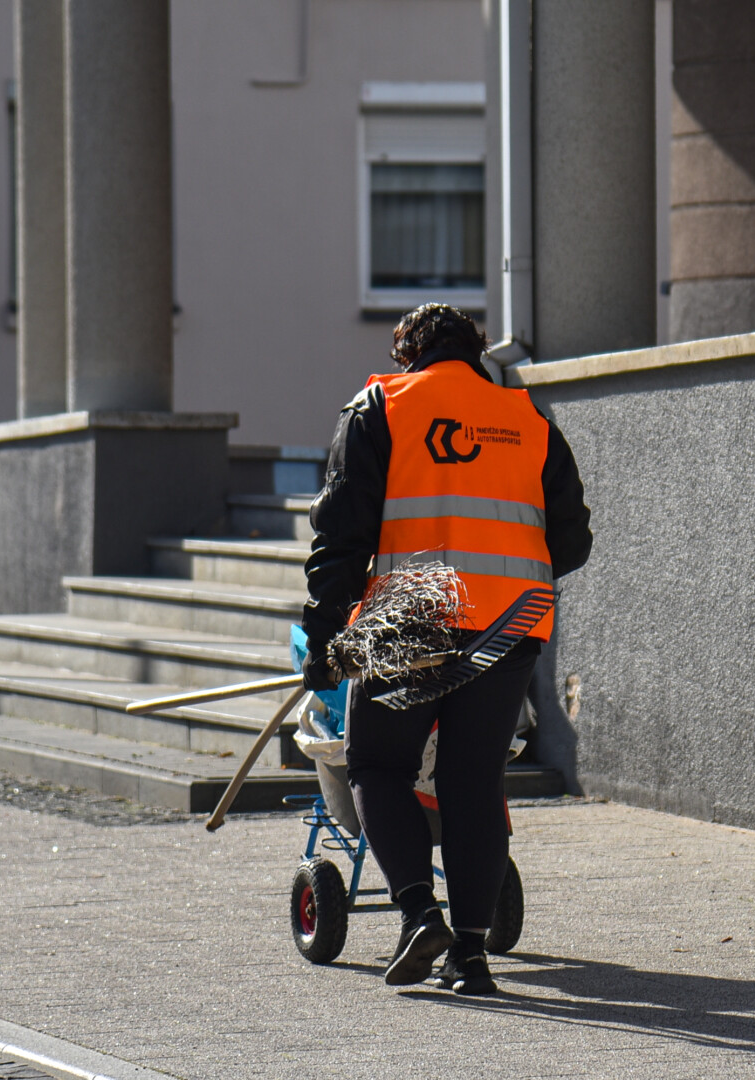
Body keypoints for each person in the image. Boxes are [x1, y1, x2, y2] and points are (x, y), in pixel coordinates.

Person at [300, 303, 592, 995]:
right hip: (511, 624)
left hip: (411, 619)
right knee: (472, 783)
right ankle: (470, 955)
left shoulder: (381, 405)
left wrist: (322, 636)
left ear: (409, 354)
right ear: (478, 352)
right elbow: (573, 541)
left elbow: (341, 535)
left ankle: (416, 914)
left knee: (377, 764)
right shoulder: (528, 421)